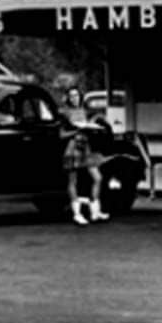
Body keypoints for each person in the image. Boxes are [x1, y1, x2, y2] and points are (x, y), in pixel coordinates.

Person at [60, 86, 108, 225]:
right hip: (73, 146)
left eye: (76, 95)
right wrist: (76, 131)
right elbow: (61, 134)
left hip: (86, 146)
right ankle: (77, 213)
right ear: (68, 98)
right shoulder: (65, 113)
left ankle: (95, 210)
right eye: (71, 96)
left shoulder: (84, 111)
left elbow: (89, 125)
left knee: (97, 177)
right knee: (72, 180)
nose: (75, 98)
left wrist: (93, 127)